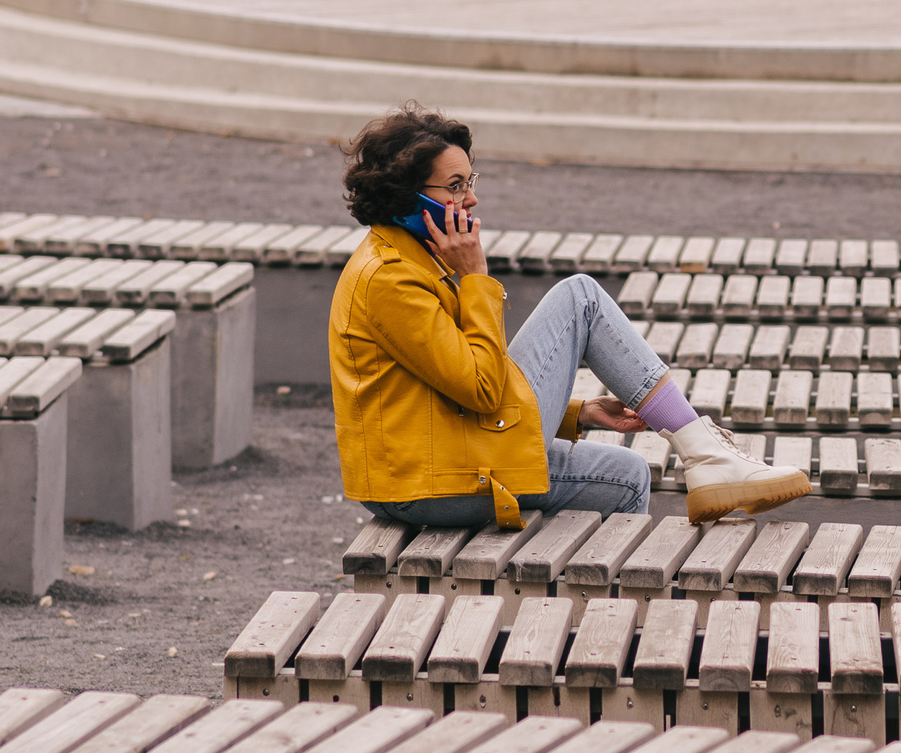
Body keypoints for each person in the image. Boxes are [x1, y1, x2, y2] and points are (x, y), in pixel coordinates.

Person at [328, 105, 805, 529]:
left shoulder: (410, 256)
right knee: (580, 299)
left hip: (439, 463)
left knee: (627, 474)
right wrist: (475, 277)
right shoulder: (389, 279)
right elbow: (481, 387)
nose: (471, 199)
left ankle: (605, 614)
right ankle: (705, 453)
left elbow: (440, 386)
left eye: (471, 182)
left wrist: (577, 412)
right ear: (409, 197)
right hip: (428, 484)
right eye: (455, 187)